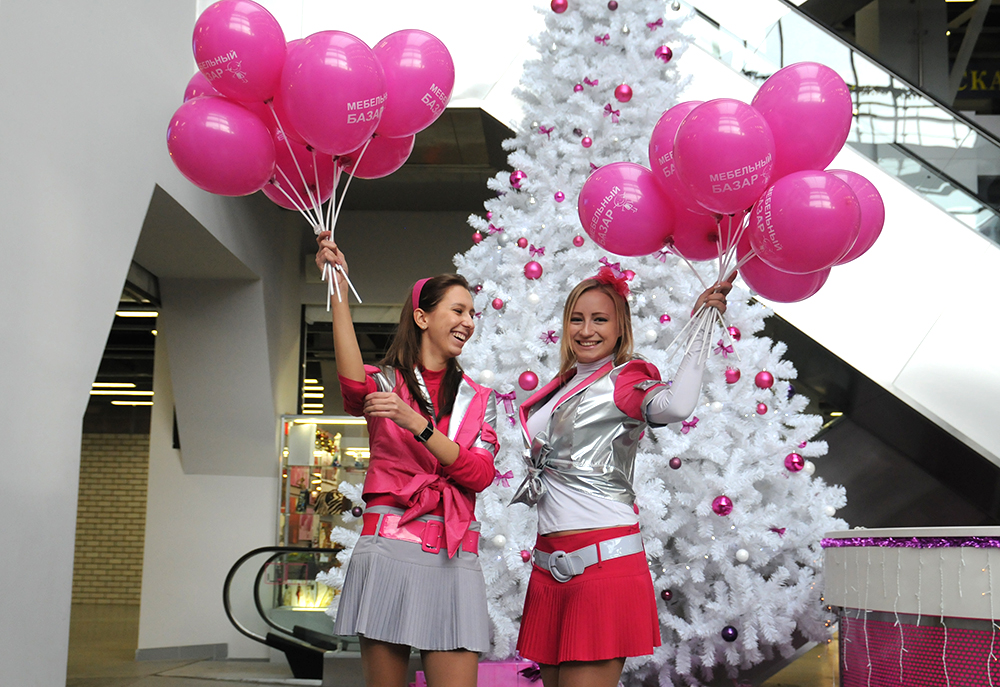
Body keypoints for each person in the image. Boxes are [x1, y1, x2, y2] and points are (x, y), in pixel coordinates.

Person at [510, 265, 732, 687]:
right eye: (577, 319)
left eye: (600, 319)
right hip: (548, 568)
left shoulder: (625, 377)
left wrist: (701, 328)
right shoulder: (559, 385)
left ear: (620, 328)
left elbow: (677, 405)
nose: (586, 330)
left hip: (601, 565)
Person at [315, 232, 499, 687]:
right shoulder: (384, 383)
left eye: (472, 314)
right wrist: (337, 286)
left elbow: (479, 474)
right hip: (388, 547)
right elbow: (351, 381)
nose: (468, 322)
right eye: (458, 310)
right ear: (422, 316)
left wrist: (416, 423)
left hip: (455, 553)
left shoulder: (480, 399)